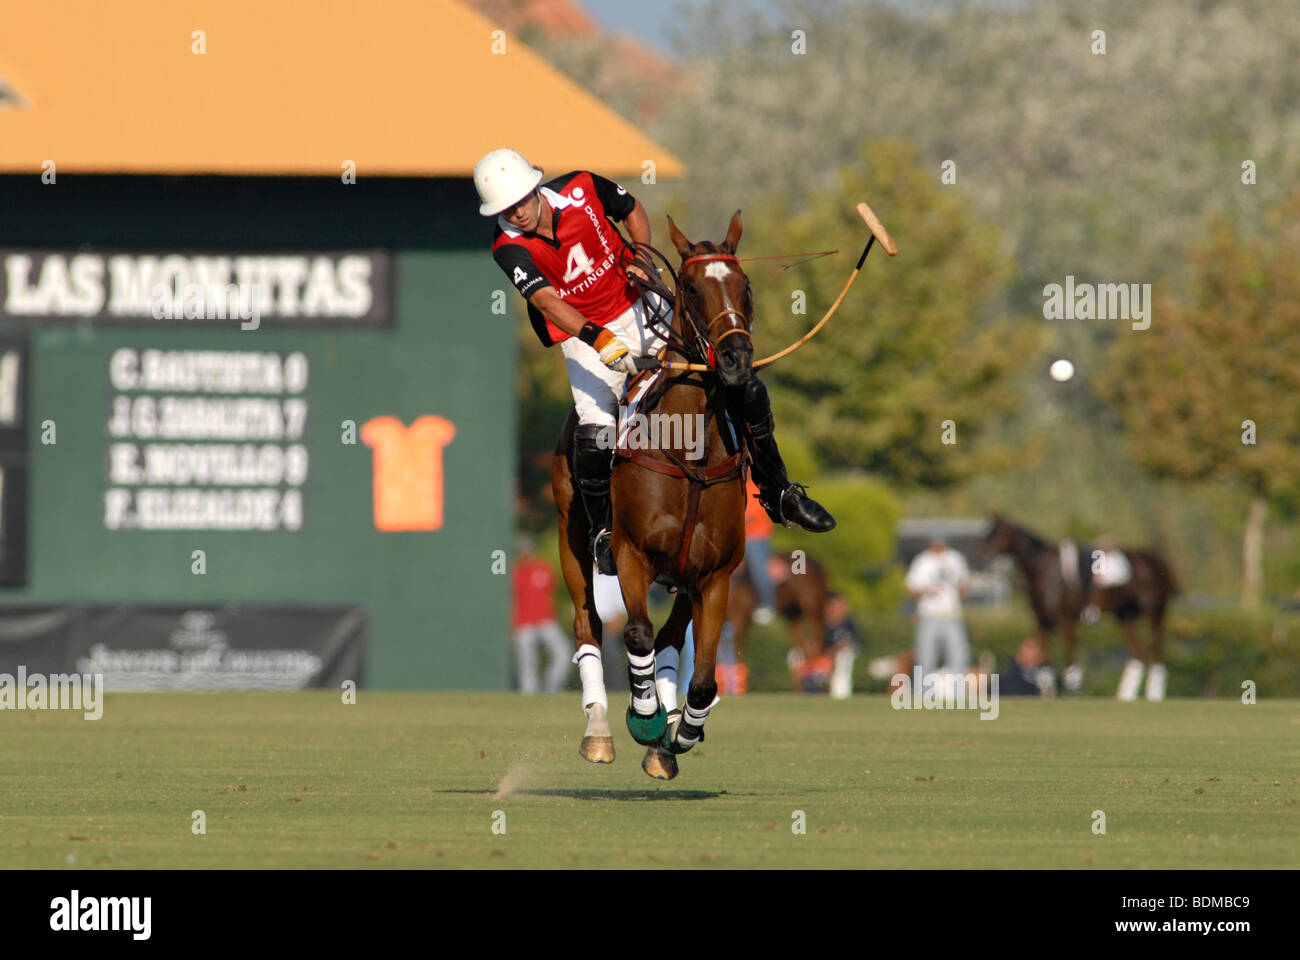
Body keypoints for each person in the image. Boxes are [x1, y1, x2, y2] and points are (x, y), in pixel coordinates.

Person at [475, 147, 834, 589]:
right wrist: (598, 338)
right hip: (584, 334)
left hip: (640, 303)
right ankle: (605, 532)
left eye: (521, 201)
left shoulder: (583, 186)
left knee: (742, 385)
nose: (518, 213)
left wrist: (642, 256)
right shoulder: (506, 246)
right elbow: (547, 301)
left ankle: (779, 492)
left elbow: (632, 210)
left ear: (535, 187)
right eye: (507, 209)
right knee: (593, 432)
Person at [904, 536, 971, 686]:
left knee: (958, 657)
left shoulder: (955, 558)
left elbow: (964, 585)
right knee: (926, 658)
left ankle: (958, 696)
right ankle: (923, 696)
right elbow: (910, 588)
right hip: (929, 616)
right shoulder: (922, 560)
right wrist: (928, 591)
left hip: (952, 615)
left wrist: (961, 598)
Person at [510, 538, 570, 693]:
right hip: (523, 622)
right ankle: (529, 694)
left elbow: (552, 591)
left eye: (528, 549)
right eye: (522, 550)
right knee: (527, 661)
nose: (526, 553)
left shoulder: (544, 568)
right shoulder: (515, 572)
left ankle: (552, 687)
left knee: (563, 652)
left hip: (545, 620)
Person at [743, 475, 778, 624]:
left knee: (760, 569)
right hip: (738, 533)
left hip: (755, 535)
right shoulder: (737, 485)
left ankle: (768, 603)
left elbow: (757, 512)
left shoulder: (760, 486)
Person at [823, 592, 861, 699]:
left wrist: (837, 650)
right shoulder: (822, 624)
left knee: (843, 656)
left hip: (845, 655)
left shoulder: (849, 624)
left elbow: (853, 643)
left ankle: (840, 695)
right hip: (828, 656)